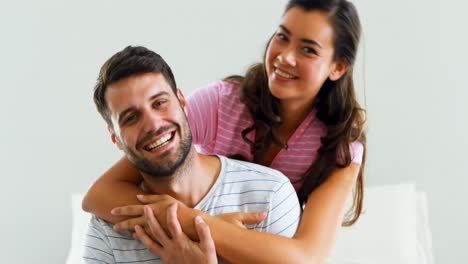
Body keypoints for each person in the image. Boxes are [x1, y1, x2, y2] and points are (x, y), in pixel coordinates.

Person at [83, 0, 367, 263]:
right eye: (282, 36)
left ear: (338, 66)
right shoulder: (222, 103)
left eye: (308, 49)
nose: (285, 57)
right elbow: (106, 190)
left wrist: (190, 221)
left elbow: (305, 257)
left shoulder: (340, 146)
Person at [83, 46, 301, 264]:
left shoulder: (269, 197)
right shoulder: (107, 228)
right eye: (131, 118)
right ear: (116, 138)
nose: (153, 124)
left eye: (159, 103)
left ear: (183, 102)